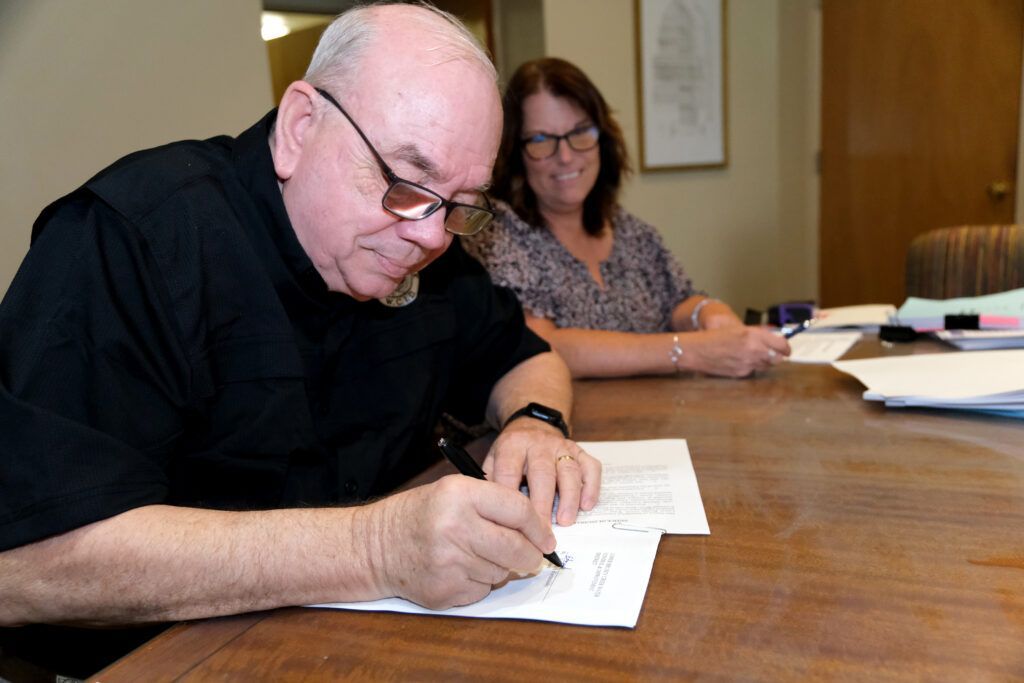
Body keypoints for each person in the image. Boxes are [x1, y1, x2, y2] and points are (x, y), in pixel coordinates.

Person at [0, 5, 600, 677]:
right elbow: (25, 564)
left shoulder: (420, 243)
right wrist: (374, 549)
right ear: (300, 128)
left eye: (460, 202)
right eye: (403, 180)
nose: (432, 237)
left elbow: (525, 357)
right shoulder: (133, 241)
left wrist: (536, 422)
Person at [462, 58, 790, 379]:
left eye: (580, 133)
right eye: (541, 140)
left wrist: (710, 314)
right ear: (515, 151)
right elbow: (540, 344)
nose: (565, 156)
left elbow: (678, 301)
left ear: (602, 140)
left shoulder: (630, 230)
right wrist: (691, 351)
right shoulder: (497, 233)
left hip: (658, 422)